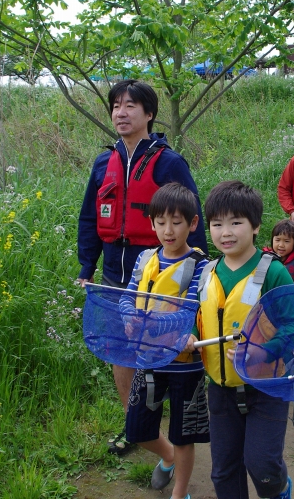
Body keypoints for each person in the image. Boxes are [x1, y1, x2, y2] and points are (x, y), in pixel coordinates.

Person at [77, 79, 208, 456]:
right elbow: (90, 216)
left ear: (148, 113)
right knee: (122, 350)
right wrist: (87, 263)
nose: (121, 112)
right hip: (116, 272)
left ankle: (174, 429)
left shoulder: (169, 161)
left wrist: (197, 271)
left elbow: (190, 215)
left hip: (161, 271)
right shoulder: (105, 161)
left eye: (130, 105)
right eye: (116, 105)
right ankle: (133, 424)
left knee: (163, 349)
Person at [195, 180, 294, 499]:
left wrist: (262, 352)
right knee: (223, 470)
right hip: (221, 389)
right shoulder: (207, 272)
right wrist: (187, 337)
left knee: (262, 465)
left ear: (255, 227)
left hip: (266, 388)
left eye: (236, 222)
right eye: (217, 224)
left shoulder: (274, 273)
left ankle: (280, 487)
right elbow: (197, 318)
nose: (225, 232)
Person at [122, 183, 210, 499]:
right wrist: (128, 316)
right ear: (152, 223)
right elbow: (128, 296)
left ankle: (180, 492)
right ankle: (168, 455)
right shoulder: (145, 258)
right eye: (161, 222)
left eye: (176, 222)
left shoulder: (201, 265)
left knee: (184, 435)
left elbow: (190, 310)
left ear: (193, 224)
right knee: (136, 428)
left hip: (185, 365)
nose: (168, 230)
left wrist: (147, 323)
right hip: (147, 359)